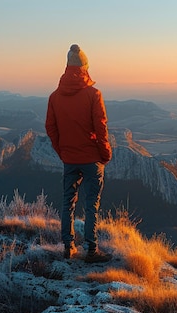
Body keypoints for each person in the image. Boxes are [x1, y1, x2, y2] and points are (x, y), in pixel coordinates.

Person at [45, 44, 113, 263]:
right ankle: (91, 250)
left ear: (67, 67)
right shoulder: (94, 94)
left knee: (68, 202)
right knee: (91, 203)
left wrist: (62, 151)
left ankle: (68, 246)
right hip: (92, 158)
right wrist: (105, 154)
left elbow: (51, 128)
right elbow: (100, 127)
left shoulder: (55, 97)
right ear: (85, 67)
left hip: (70, 159)